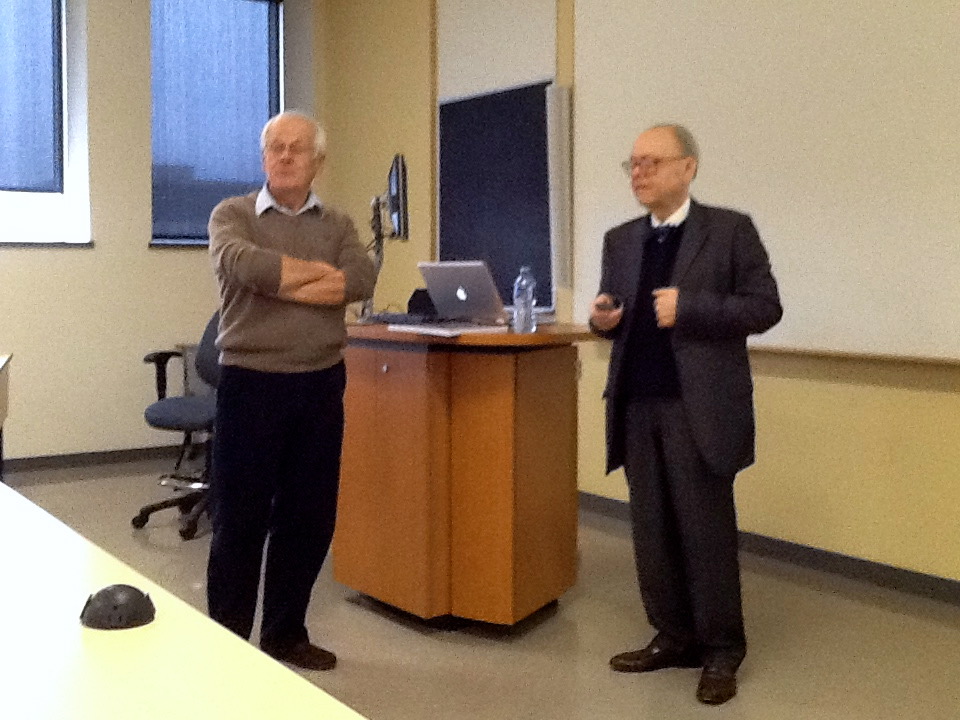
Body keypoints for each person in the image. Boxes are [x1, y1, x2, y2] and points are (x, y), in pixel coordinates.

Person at [589, 124, 782, 705]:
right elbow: (616, 312)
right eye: (633, 163)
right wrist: (605, 318)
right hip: (636, 404)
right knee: (651, 532)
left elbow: (765, 306)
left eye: (651, 161)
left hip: (698, 409)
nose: (638, 172)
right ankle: (672, 635)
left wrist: (691, 307)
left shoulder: (729, 231)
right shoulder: (620, 239)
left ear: (688, 168)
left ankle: (722, 648)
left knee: (705, 534)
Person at [206, 110, 376, 670]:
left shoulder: (341, 225)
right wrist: (316, 279)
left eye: (296, 149)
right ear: (263, 157)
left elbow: (360, 278)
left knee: (309, 518)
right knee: (240, 520)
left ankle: (284, 633)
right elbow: (246, 268)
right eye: (275, 147)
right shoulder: (231, 215)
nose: (284, 156)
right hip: (251, 386)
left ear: (317, 162)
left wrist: (286, 280)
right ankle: (227, 643)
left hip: (321, 386)